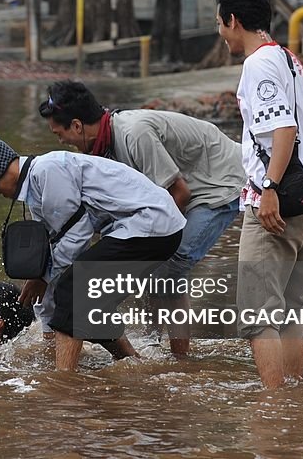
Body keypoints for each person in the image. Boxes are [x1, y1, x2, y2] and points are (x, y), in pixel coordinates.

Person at [38, 81, 245, 357]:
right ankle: (153, 345)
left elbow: (179, 195)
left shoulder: (134, 135)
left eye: (60, 135)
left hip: (220, 184)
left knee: (169, 266)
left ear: (77, 125)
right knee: (152, 262)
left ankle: (179, 359)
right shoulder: (103, 145)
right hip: (186, 186)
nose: (62, 142)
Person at [0, 133, 186, 371]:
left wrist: (43, 277)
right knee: (89, 303)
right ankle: (136, 366)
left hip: (151, 224)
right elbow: (51, 262)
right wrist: (48, 332)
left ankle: (64, 383)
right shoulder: (36, 192)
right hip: (142, 228)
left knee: (75, 291)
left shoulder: (47, 171)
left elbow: (78, 235)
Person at [215, 0, 303, 388]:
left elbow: (282, 129)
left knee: (259, 316)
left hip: (280, 203)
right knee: (290, 311)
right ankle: (293, 401)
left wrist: (268, 189)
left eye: (220, 23)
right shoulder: (287, 57)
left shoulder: (258, 64)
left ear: (234, 20)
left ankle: (274, 410)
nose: (221, 32)